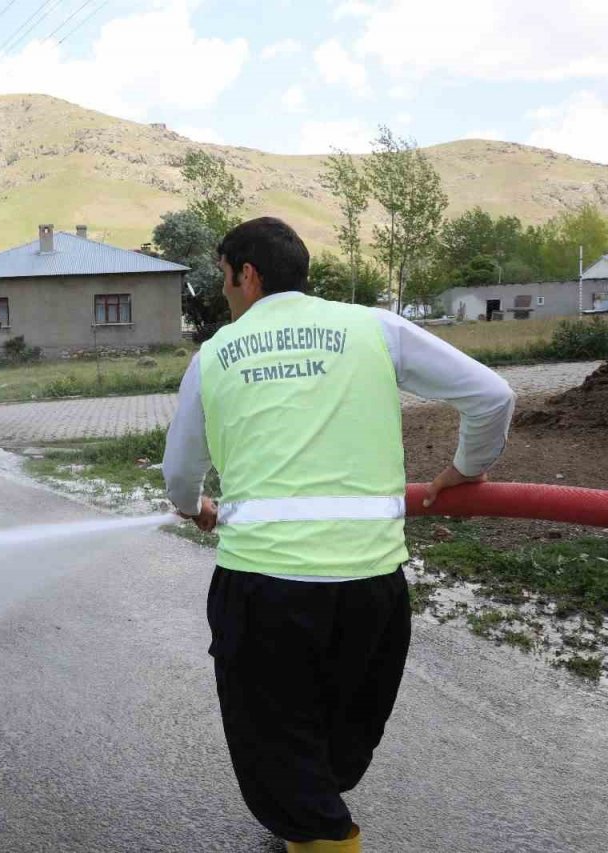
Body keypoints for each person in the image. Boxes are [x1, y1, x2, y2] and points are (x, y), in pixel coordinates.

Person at [162, 217, 515, 852]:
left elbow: (180, 471)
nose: (223, 291)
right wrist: (467, 468)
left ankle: (320, 829)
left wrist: (193, 507)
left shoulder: (214, 353)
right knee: (339, 739)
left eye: (223, 275)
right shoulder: (373, 327)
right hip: (373, 588)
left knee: (275, 750)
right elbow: (492, 396)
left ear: (248, 274)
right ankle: (313, 813)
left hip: (263, 590)